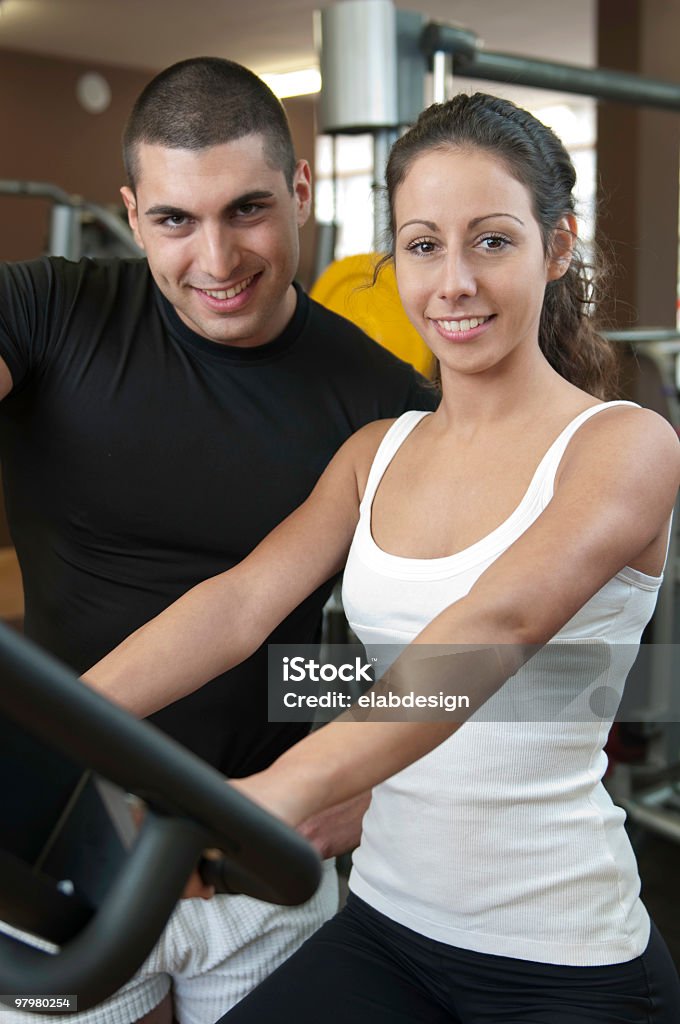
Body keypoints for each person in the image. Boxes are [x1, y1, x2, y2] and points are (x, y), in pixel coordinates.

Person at [84, 92, 680, 1022]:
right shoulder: (376, 452)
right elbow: (239, 606)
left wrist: (283, 789)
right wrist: (60, 725)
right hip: (387, 931)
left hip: (562, 960)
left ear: (556, 246)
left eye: (491, 241)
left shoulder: (623, 446)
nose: (453, 283)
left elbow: (493, 632)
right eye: (423, 244)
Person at [0, 58, 437, 1024]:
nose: (217, 259)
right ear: (131, 208)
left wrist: (368, 776)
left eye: (247, 210)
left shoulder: (381, 404)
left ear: (301, 191)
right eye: (174, 221)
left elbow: (459, 647)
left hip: (261, 857)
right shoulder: (45, 311)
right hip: (58, 848)